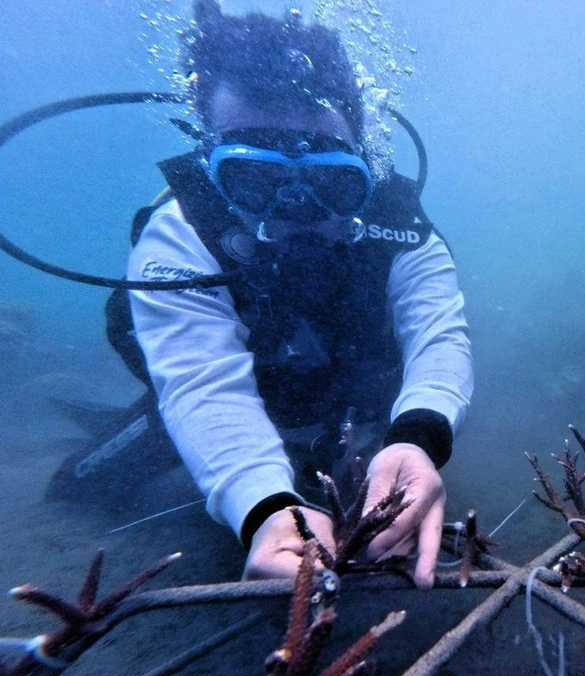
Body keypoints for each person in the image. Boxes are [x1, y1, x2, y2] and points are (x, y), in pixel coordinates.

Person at [106, 0, 472, 588]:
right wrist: (262, 504)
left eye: (331, 181)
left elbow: (438, 336)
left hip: (344, 401)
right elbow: (200, 380)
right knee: (88, 481)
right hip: (244, 392)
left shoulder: (400, 222)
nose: (298, 209)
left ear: (362, 156)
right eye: (255, 177)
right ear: (211, 159)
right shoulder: (180, 232)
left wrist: (417, 438)